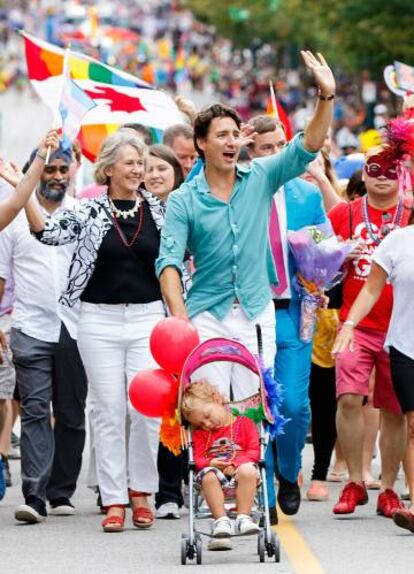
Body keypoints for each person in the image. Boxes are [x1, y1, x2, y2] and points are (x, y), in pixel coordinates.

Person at [156, 50, 335, 402]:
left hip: (256, 311)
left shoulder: (261, 175)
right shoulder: (184, 199)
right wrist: (180, 320)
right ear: (202, 143)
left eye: (235, 134)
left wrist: (325, 96)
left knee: (255, 410)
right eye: (221, 135)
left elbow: (307, 146)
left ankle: (254, 461)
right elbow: (169, 263)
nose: (231, 142)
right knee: (214, 410)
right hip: (206, 315)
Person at [19, 129, 167, 533]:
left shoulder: (158, 210)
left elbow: (179, 257)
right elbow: (47, 232)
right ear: (109, 169)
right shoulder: (88, 210)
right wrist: (25, 190)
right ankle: (115, 497)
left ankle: (142, 492)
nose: (138, 170)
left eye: (141, 163)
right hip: (97, 320)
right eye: (131, 163)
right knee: (107, 410)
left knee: (145, 410)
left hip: (148, 319)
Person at [0, 133, 88, 523]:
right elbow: (1, 278)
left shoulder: (84, 214)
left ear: (73, 171)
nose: (55, 175)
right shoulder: (13, 219)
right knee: (35, 409)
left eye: (61, 168)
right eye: (47, 168)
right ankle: (34, 494)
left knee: (69, 412)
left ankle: (61, 491)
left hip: (76, 329)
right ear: (35, 173)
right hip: (30, 327)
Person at [246, 113, 328, 517]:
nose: (277, 155)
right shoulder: (240, 190)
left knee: (294, 404)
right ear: (252, 153)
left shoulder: (307, 195)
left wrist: (322, 277)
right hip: (247, 311)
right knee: (253, 401)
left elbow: (323, 248)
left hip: (296, 311)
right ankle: (258, 484)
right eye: (266, 149)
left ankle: (288, 470)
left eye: (282, 146)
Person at [329, 138, 411, 518]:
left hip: (400, 330)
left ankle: (389, 487)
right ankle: (355, 480)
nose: (381, 177)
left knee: (394, 410)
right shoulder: (344, 213)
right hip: (356, 325)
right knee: (349, 398)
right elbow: (319, 267)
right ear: (363, 173)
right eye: (373, 169)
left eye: (390, 170)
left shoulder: (409, 214)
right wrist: (338, 254)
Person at [144, 144, 186, 520]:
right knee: (157, 407)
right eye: (147, 169)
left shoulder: (191, 208)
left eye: (162, 168)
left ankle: (179, 486)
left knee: (187, 405)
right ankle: (156, 489)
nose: (155, 175)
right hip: (149, 321)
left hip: (190, 318)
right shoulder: (136, 212)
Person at [181, 379, 260, 551]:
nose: (207, 424)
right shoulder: (202, 434)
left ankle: (243, 517)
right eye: (200, 424)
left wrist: (236, 463)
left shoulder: (245, 423)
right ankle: (221, 520)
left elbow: (254, 451)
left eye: (207, 417)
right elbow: (197, 458)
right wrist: (210, 463)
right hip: (214, 477)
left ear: (217, 399)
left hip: (241, 473)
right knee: (208, 475)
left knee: (248, 470)